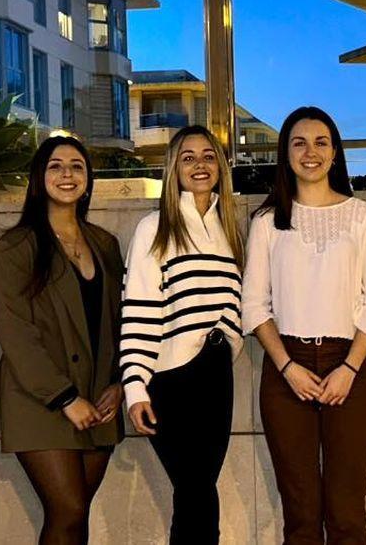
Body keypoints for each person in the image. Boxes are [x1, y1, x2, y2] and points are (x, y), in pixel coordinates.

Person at [241, 106, 366, 544]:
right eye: (299, 142)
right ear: (285, 153)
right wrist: (287, 366)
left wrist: (349, 368)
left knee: (346, 513)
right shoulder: (267, 222)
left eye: (321, 142)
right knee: (301, 513)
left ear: (335, 151)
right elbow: (253, 303)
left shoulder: (364, 217)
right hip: (287, 366)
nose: (311, 152)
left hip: (352, 365)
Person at [0, 133, 125, 545]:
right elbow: (15, 333)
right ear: (38, 178)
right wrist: (65, 398)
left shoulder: (105, 244)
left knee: (78, 514)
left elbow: (123, 322)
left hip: (99, 398)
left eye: (77, 167)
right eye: (56, 166)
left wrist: (121, 384)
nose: (67, 175)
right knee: (66, 510)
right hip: (42, 400)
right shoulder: (16, 247)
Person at [120, 125, 244, 544]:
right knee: (194, 492)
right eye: (188, 157)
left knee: (200, 494)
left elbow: (236, 302)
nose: (199, 165)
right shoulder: (152, 228)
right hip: (170, 378)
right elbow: (138, 311)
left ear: (221, 166)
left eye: (208, 156)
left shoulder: (229, 228)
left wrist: (227, 341)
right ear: (174, 168)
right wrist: (135, 387)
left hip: (215, 374)